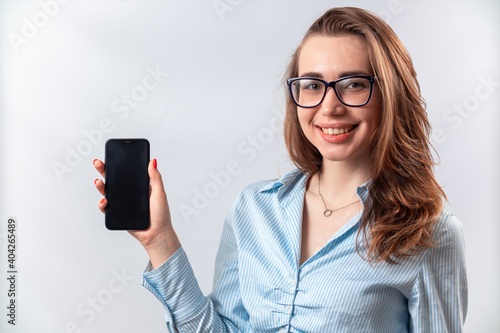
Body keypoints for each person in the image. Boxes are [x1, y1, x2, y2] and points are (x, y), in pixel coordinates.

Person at [93, 7, 467, 332]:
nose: (330, 106)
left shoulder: (431, 234)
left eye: (353, 84)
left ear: (389, 94)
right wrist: (159, 240)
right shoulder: (253, 209)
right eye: (312, 85)